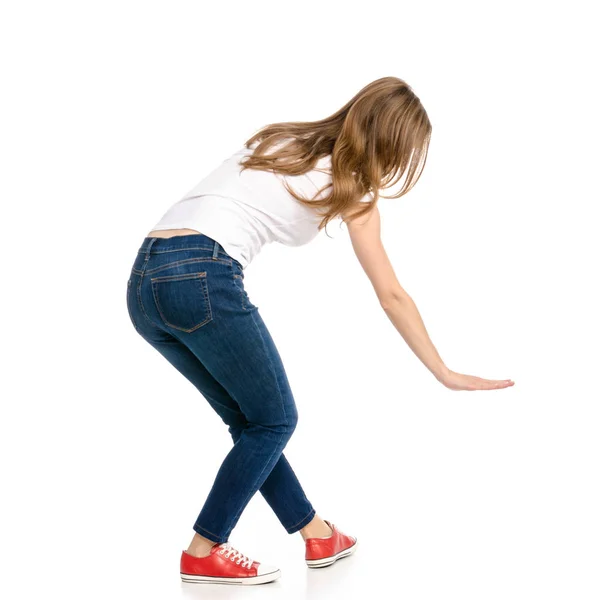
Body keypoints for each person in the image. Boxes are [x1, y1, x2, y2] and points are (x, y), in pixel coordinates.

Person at [126, 76, 514, 586]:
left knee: (254, 424)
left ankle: (316, 533)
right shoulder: (354, 191)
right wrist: (443, 370)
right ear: (395, 145)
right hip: (202, 273)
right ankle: (204, 549)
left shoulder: (280, 139)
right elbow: (391, 293)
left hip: (143, 282)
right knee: (275, 421)